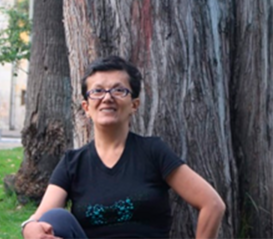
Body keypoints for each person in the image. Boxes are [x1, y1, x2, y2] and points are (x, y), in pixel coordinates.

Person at [21, 55, 225, 239]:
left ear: (134, 105)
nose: (107, 97)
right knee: (56, 218)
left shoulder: (153, 152)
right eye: (98, 91)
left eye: (119, 90)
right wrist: (30, 227)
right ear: (86, 108)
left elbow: (212, 204)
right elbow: (41, 219)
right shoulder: (72, 163)